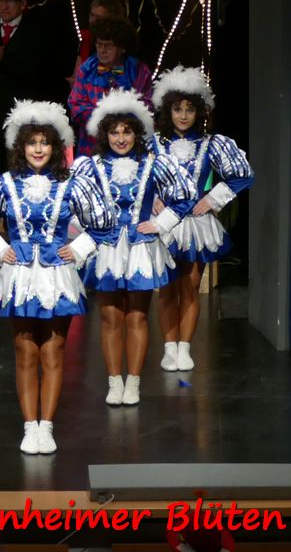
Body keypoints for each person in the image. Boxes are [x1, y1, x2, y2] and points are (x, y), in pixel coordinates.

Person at [0, 100, 115, 455]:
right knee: (25, 350)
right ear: (20, 146)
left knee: (53, 350)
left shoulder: (72, 185)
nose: (38, 149)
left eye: (45, 143)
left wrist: (79, 248)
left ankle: (47, 425)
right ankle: (29, 425)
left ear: (55, 147)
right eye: (31, 142)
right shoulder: (3, 184)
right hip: (20, 276)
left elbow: (105, 223)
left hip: (58, 276)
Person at [80, 89, 196, 407]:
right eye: (114, 132)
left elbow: (186, 193)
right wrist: (87, 233)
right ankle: (114, 382)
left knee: (137, 317)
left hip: (141, 249)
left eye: (127, 132)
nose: (121, 139)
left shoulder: (153, 163)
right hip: (106, 249)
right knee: (109, 317)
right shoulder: (91, 166)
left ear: (137, 133)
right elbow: (72, 204)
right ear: (105, 134)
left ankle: (133, 383)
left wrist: (160, 223)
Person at [152, 67, 253, 373]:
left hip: (196, 225)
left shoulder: (211, 143)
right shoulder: (154, 144)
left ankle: (185, 347)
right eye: (177, 109)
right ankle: (169, 348)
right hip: (164, 224)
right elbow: (139, 180)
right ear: (168, 110)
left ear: (199, 111)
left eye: (189, 109)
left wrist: (211, 199)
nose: (183, 115)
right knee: (166, 289)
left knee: (190, 288)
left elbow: (242, 174)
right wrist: (151, 199)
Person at [0, 0, 61, 181]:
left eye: (10, 1)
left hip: (21, 116)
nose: (4, 6)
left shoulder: (37, 32)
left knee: (19, 170)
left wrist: (3, 61)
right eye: (0, 1)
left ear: (22, 4)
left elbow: (39, 73)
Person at [67, 16, 153, 156]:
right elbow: (75, 105)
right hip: (92, 146)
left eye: (108, 46)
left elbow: (147, 106)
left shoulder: (138, 71)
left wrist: (120, 122)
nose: (102, 50)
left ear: (123, 48)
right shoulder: (87, 69)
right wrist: (103, 119)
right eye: (99, 44)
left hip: (127, 145)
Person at [75, 0, 128, 67]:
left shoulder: (120, 47)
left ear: (112, 20)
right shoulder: (82, 37)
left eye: (99, 18)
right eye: (92, 15)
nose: (92, 21)